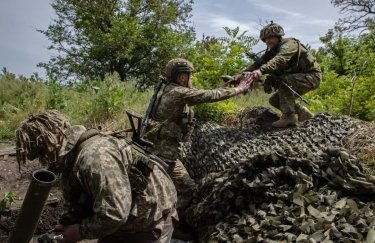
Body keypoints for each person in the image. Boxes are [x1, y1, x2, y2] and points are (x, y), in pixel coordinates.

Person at [15, 110, 177, 243]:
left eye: (42, 152)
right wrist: (68, 223)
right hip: (122, 222)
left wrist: (79, 232)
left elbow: (115, 213)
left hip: (149, 222)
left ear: (53, 140)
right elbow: (80, 198)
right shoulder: (72, 157)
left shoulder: (95, 158)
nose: (42, 160)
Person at [145, 58, 254, 216]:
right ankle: (162, 221)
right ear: (182, 77)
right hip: (162, 156)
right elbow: (208, 96)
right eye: (189, 75)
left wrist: (224, 87)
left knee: (187, 189)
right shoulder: (178, 93)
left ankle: (170, 222)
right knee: (182, 190)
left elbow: (203, 95)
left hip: (166, 153)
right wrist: (239, 88)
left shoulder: (172, 90)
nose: (191, 79)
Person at [242, 21, 321, 127]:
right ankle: (303, 112)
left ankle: (289, 117)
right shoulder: (271, 52)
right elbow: (256, 65)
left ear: (278, 36)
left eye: (270, 37)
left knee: (285, 81)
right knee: (274, 100)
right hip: (298, 77)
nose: (267, 41)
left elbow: (280, 60)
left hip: (312, 76)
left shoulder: (289, 44)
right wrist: (238, 76)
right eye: (265, 39)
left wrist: (261, 70)